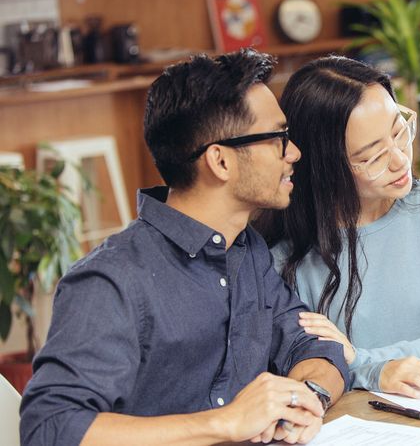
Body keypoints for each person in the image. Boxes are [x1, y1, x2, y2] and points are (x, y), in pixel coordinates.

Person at [20, 49, 347, 446]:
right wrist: (223, 423)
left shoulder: (247, 251)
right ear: (220, 162)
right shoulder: (111, 280)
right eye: (278, 138)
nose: (293, 152)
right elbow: (50, 427)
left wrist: (304, 399)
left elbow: (315, 344)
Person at [253, 56, 420, 397]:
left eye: (400, 132)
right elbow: (303, 371)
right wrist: (371, 372)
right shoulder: (284, 257)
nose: (400, 159)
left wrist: (368, 362)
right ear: (326, 167)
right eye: (372, 157)